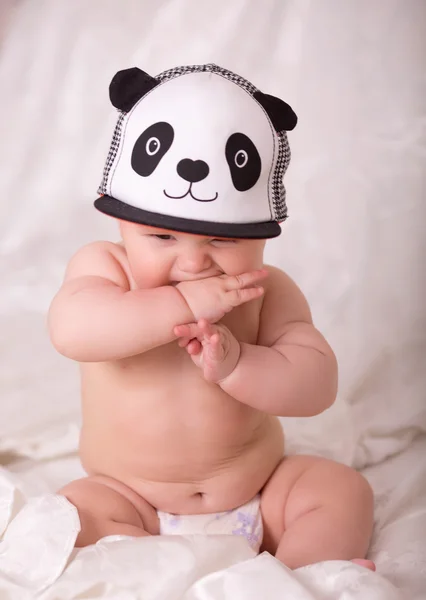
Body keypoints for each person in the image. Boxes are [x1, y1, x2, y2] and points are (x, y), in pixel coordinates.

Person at [48, 64, 375, 570]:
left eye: (223, 240)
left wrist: (240, 364)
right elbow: (72, 331)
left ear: (265, 235)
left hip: (260, 494)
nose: (195, 262)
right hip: (133, 501)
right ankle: (161, 566)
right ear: (120, 221)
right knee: (71, 514)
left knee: (342, 492)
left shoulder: (267, 290)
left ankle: (301, 576)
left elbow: (317, 384)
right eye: (162, 238)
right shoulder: (106, 268)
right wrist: (179, 307)